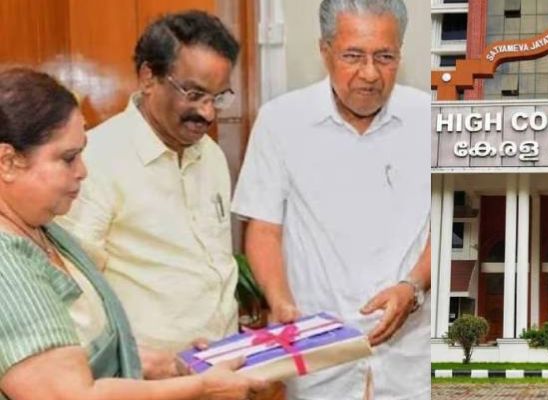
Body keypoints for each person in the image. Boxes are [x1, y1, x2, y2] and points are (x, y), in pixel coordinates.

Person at [0, 67, 266, 400]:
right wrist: (202, 387)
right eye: (68, 159)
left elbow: (85, 348)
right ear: (7, 161)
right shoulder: (6, 262)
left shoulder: (42, 230)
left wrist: (169, 365)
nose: (83, 171)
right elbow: (68, 396)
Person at [231, 0, 430, 398]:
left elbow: (451, 221)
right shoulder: (280, 121)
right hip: (319, 358)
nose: (370, 73)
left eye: (385, 57)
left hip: (411, 358)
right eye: (353, 56)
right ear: (324, 51)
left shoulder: (432, 118)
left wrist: (413, 286)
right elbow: (264, 229)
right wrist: (281, 304)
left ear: (400, 54)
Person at [58, 10, 241, 378]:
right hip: (148, 381)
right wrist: (133, 361)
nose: (208, 113)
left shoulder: (212, 155)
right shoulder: (95, 161)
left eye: (218, 97)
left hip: (221, 372)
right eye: (194, 94)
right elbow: (72, 292)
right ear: (148, 78)